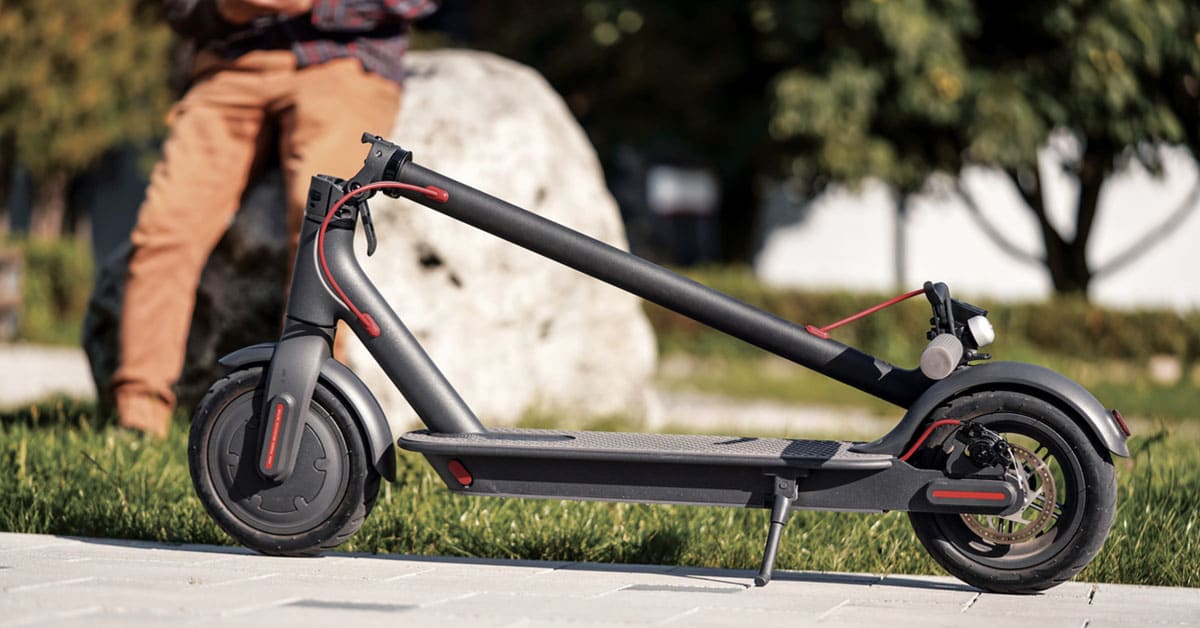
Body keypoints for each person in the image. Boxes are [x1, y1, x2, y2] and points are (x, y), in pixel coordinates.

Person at [114, 0, 437, 438]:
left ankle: (310, 414)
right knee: (164, 231)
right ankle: (137, 417)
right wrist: (224, 8)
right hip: (232, 66)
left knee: (321, 232)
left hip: (344, 61)